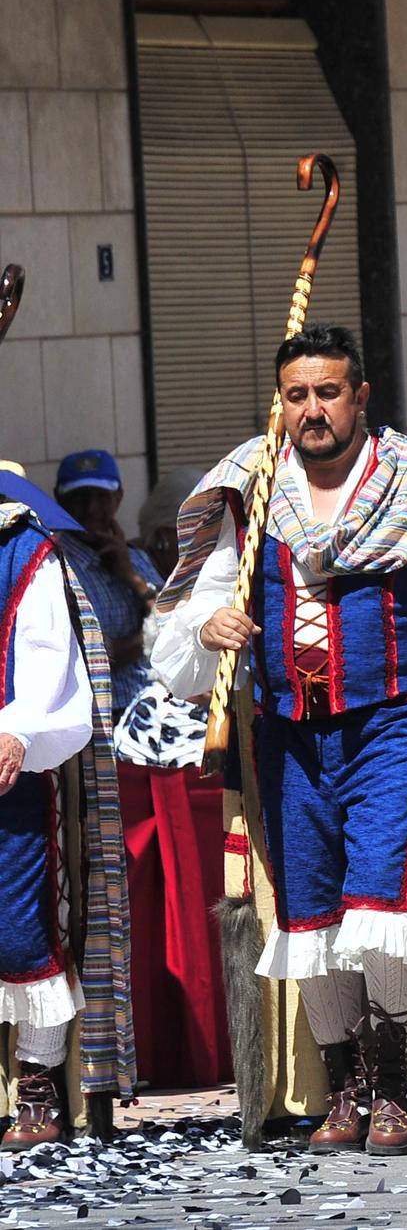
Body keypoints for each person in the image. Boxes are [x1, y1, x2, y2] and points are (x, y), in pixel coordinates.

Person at [154, 323, 407, 1154]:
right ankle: (345, 1088)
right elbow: (190, 619)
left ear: (361, 396)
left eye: (329, 392)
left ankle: (395, 1091)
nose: (312, 410)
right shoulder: (251, 492)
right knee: (311, 911)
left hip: (395, 718)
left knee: (380, 895)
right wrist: (209, 623)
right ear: (281, 402)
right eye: (297, 395)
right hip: (287, 731)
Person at [0, 469, 134, 1145]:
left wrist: (18, 729)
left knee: (22, 930)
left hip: (10, 771)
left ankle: (38, 1090)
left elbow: (50, 652)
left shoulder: (23, 550)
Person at [53, 451, 162, 717]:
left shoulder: (135, 558)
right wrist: (156, 633)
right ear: (59, 500)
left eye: (100, 497)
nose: (91, 509)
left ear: (119, 497)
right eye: (80, 498)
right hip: (101, 720)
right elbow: (95, 657)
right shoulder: (54, 567)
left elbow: (179, 619)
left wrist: (131, 577)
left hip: (155, 711)